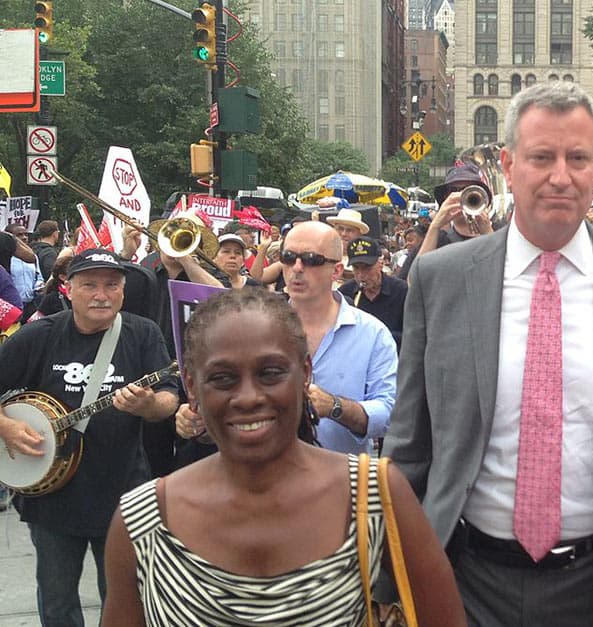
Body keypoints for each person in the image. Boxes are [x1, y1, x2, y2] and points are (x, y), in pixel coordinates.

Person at [383, 81, 593, 626]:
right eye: (542, 157)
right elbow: (410, 441)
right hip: (464, 582)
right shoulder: (440, 278)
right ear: (509, 167)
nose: (561, 175)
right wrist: (388, 576)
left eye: (577, 158)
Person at [101, 288, 465, 626]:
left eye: (270, 373)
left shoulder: (375, 494)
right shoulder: (143, 522)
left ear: (305, 373)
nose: (248, 397)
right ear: (192, 388)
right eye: (223, 378)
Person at [0, 248, 180, 626]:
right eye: (90, 285)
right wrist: (6, 425)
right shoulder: (39, 335)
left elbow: (168, 399)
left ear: (123, 291)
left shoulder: (142, 333)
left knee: (123, 600)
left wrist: (148, 405)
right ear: (68, 289)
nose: (101, 294)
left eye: (111, 285)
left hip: (122, 493)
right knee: (57, 600)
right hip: (51, 498)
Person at [182, 220, 398, 457]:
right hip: (260, 476)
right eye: (288, 257)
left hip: (340, 482)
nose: (296, 267)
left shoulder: (372, 333)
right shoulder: (252, 326)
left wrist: (335, 407)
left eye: (310, 259)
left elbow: (388, 412)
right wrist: (198, 421)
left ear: (336, 270)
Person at [414, 162, 496, 260]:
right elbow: (415, 274)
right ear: (446, 197)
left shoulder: (499, 233)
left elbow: (508, 271)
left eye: (468, 189)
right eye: (453, 190)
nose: (462, 195)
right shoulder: (438, 239)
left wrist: (488, 232)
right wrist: (435, 227)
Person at [338, 236, 406, 351]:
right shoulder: (345, 293)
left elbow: (410, 335)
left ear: (380, 263)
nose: (361, 275)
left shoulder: (401, 291)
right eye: (356, 268)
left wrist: (374, 335)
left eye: (367, 268)